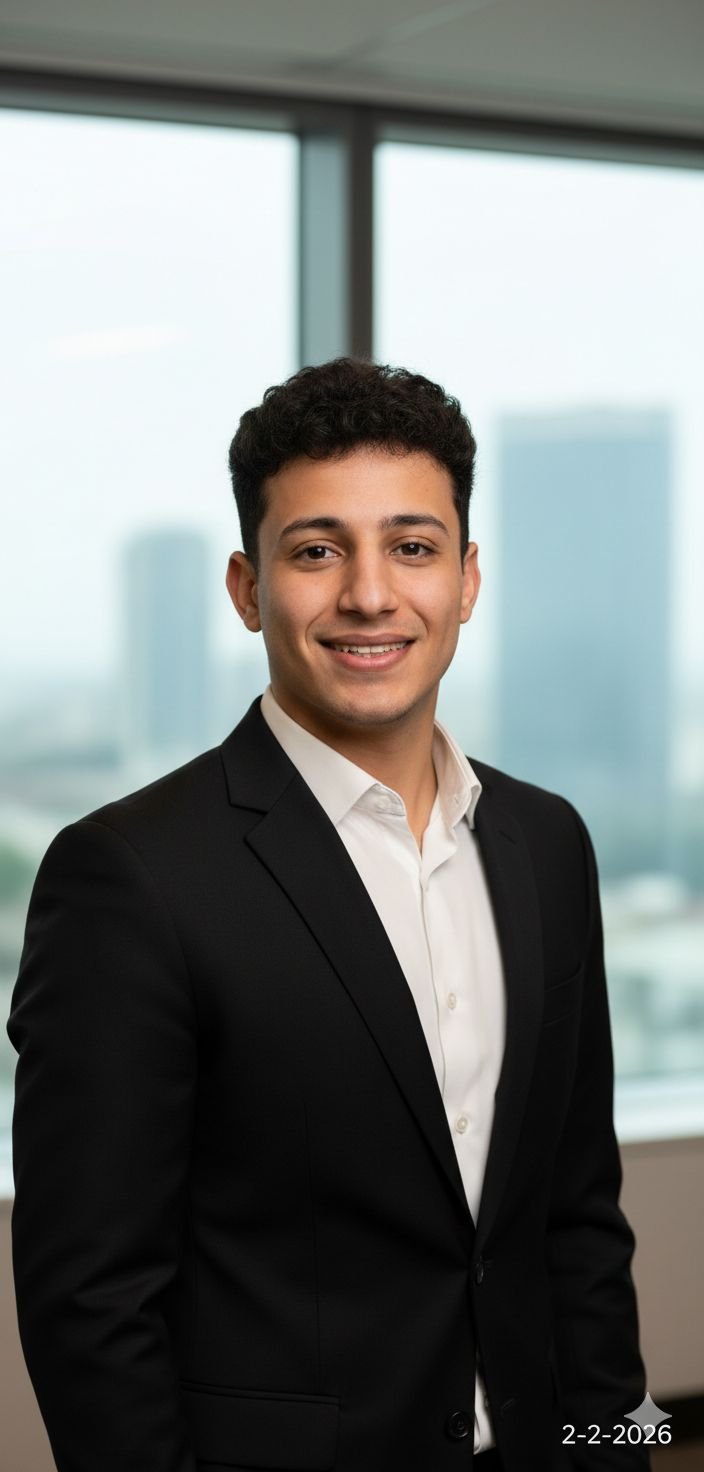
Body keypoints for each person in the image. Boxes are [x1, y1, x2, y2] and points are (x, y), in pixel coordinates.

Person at [7, 358, 650, 1472]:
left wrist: (620, 1451)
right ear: (246, 588)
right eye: (316, 550)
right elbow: (91, 1303)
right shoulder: (130, 877)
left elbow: (577, 1224)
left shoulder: (547, 844)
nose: (369, 594)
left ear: (467, 578)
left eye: (413, 546)